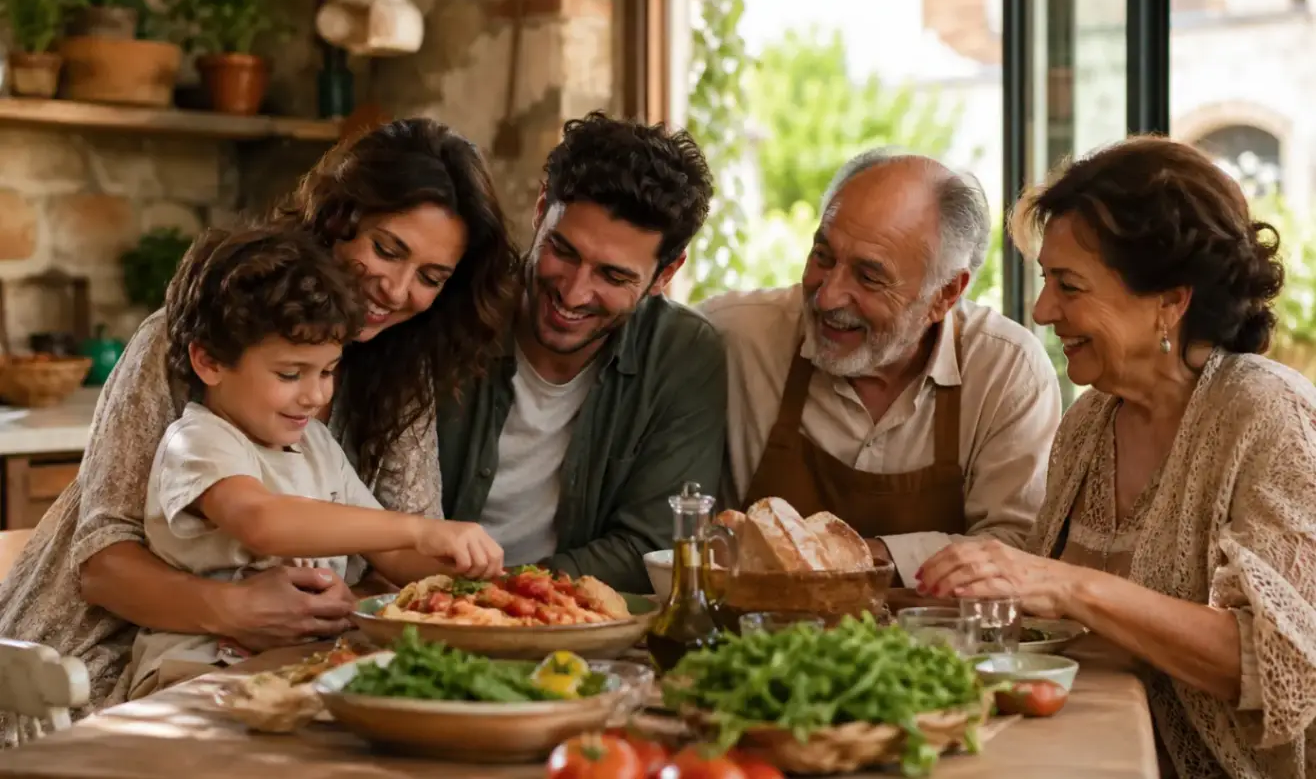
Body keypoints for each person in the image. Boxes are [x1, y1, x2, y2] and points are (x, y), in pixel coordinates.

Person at [0, 118, 519, 738]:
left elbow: (394, 556)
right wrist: (237, 609)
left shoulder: (395, 375)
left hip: (276, 665)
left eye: (431, 278)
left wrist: (483, 586)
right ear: (338, 217)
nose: (397, 289)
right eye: (387, 249)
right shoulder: (200, 346)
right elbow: (104, 566)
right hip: (93, 670)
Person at [917, 137, 1316, 779]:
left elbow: (1283, 667)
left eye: (1069, 286)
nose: (1042, 310)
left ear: (1170, 301)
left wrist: (1066, 585)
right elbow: (1047, 625)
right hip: (1083, 754)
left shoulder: (1270, 416)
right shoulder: (1089, 422)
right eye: (1046, 280)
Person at [128, 227, 503, 698]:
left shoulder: (317, 445)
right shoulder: (200, 440)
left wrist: (469, 576)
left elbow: (389, 553)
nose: (315, 395)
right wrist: (420, 529)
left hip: (301, 667)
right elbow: (261, 521)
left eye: (328, 371)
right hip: (195, 670)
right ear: (210, 363)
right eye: (290, 374)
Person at [701, 149, 1060, 587]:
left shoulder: (1006, 370)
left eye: (869, 277)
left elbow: (1016, 547)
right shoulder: (731, 336)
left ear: (946, 294)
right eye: (822, 256)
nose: (828, 297)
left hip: (937, 632)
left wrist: (845, 557)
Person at [436, 111, 727, 594]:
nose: (573, 293)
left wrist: (498, 598)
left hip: (571, 619)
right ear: (540, 209)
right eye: (563, 251)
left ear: (666, 273)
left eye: (613, 276)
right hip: (413, 602)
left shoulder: (683, 354)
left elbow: (652, 547)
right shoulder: (450, 306)